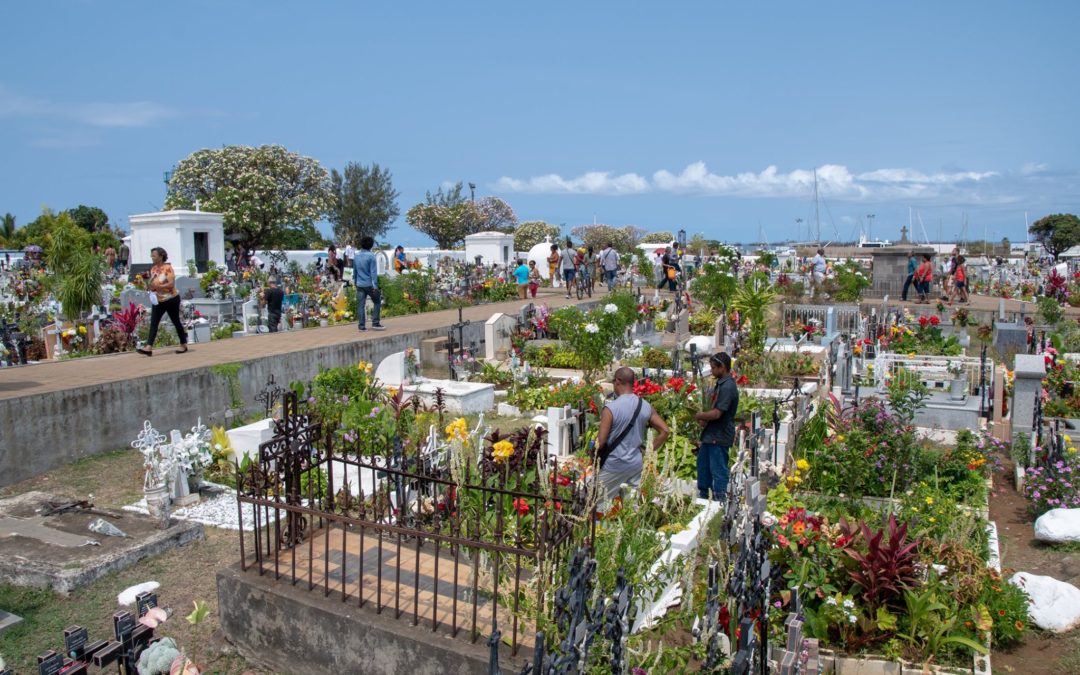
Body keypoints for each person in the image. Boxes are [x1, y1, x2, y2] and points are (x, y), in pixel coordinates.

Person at [595, 367, 670, 504]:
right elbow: (665, 431)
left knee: (597, 505)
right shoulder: (645, 405)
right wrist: (648, 451)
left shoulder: (611, 409)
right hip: (635, 465)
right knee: (632, 507)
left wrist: (592, 453)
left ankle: (601, 525)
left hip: (614, 465)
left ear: (618, 381)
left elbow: (601, 442)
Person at [694, 352, 739, 501]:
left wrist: (701, 415)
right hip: (711, 435)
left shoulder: (727, 387)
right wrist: (705, 421)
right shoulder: (721, 384)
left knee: (718, 470)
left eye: (713, 368)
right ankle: (704, 496)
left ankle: (720, 500)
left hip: (718, 436)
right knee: (703, 467)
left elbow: (717, 413)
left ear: (723, 367)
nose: (712, 371)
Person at [136, 247, 189, 356]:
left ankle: (183, 344)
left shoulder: (167, 268)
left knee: (176, 321)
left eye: (154, 255)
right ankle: (148, 347)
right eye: (151, 256)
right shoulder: (153, 269)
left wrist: (158, 286)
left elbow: (171, 284)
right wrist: (148, 286)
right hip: (159, 300)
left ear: (161, 256)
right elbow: (152, 284)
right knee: (154, 323)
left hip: (171, 299)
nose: (152, 257)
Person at [352, 236, 385, 331]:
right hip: (369, 284)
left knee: (361, 305)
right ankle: (375, 323)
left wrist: (355, 282)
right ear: (370, 245)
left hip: (359, 284)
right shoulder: (371, 256)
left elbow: (355, 271)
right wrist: (375, 285)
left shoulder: (356, 256)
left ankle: (361, 326)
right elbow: (373, 272)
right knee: (377, 302)